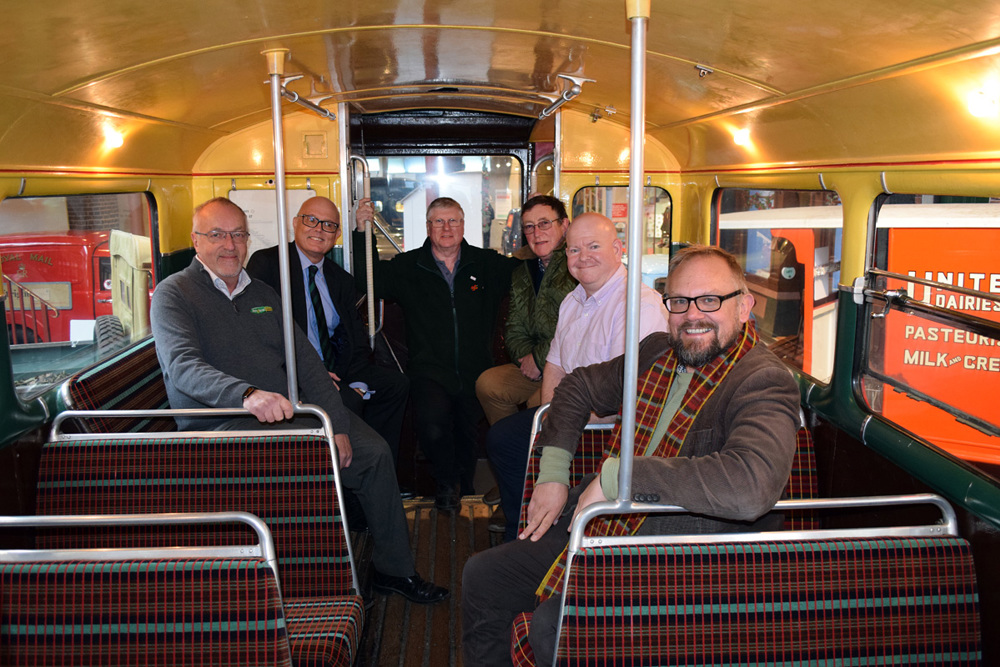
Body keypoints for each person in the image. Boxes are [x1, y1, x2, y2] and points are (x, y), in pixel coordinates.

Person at [461, 245, 801, 666]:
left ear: (744, 305)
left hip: (691, 559)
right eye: (679, 302)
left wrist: (616, 478)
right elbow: (578, 387)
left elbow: (749, 486)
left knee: (556, 625)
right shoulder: (658, 351)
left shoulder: (762, 380)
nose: (693, 315)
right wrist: (551, 474)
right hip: (609, 527)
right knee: (483, 576)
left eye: (710, 300)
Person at [150, 197, 448, 604]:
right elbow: (182, 367)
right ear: (194, 240)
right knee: (309, 455)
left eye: (238, 234)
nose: (230, 245)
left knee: (373, 451)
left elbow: (307, 363)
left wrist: (337, 425)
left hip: (288, 413)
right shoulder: (175, 294)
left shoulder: (264, 294)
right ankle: (311, 584)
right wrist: (247, 395)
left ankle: (393, 570)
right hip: (218, 424)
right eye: (217, 234)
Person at [486, 212, 668, 541]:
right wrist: (553, 420)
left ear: (618, 248)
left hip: (608, 427)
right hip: (572, 417)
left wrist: (559, 427)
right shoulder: (573, 300)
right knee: (504, 438)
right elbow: (554, 365)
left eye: (594, 246)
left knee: (510, 443)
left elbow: (629, 400)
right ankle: (526, 530)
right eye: (573, 250)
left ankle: (539, 532)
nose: (583, 257)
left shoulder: (639, 307)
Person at [353, 196, 520, 511]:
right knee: (432, 424)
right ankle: (447, 484)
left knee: (468, 432)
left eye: (453, 221)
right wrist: (362, 232)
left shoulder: (486, 263)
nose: (447, 228)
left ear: (463, 225)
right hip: (429, 369)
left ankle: (466, 489)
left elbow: (527, 272)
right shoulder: (409, 267)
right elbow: (368, 279)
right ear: (428, 227)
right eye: (439, 222)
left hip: (476, 370)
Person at [246, 196, 409, 470]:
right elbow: (260, 337)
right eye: (311, 220)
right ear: (296, 223)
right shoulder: (268, 265)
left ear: (337, 235)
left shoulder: (340, 279)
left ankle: (385, 471)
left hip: (339, 368)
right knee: (347, 402)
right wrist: (314, 377)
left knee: (397, 386)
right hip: (293, 374)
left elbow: (355, 339)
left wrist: (356, 381)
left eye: (329, 225)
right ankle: (350, 485)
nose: (319, 229)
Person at [475, 195, 576, 425]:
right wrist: (527, 361)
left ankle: (535, 455)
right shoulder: (523, 270)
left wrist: (540, 360)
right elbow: (514, 327)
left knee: (537, 402)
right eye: (529, 227)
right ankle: (515, 452)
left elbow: (577, 329)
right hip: (535, 363)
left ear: (564, 224)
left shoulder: (577, 264)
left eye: (544, 223)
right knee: (488, 384)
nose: (536, 233)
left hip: (572, 365)